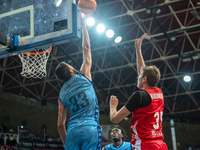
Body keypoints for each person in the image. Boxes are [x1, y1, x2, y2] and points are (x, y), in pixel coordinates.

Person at [109, 33, 168, 150]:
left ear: (145, 79)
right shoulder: (159, 93)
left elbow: (115, 119)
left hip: (144, 145)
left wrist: (113, 106)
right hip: (160, 144)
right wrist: (138, 49)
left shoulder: (138, 96)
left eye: (140, 76)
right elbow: (143, 71)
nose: (137, 76)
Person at [56, 13, 102, 150]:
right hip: (90, 128)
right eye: (70, 66)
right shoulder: (84, 75)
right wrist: (83, 25)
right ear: (71, 71)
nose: (73, 66)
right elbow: (86, 48)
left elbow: (59, 125)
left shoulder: (61, 94)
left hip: (72, 132)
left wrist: (67, 143)